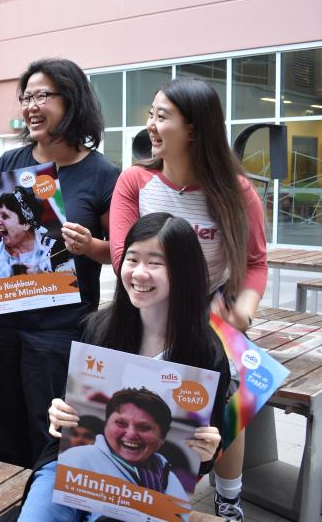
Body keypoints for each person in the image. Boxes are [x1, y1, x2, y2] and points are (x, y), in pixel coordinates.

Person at [109, 77, 268, 521]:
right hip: (144, 313)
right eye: (151, 114)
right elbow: (124, 256)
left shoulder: (236, 192)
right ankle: (126, 486)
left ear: (195, 128)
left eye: (162, 116)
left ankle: (228, 499)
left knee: (233, 398)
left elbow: (255, 262)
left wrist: (243, 312)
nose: (151, 126)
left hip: (210, 318)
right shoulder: (135, 182)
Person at [0, 58, 120, 468]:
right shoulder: (12, 162)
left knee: (52, 435)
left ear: (72, 99)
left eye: (42, 95)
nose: (31, 106)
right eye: (26, 97)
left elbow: (121, 251)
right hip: (3, 322)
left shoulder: (102, 174)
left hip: (58, 330)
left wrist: (91, 246)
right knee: (5, 432)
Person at [17, 212, 230, 522]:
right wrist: (60, 415)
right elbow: (71, 415)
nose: (139, 274)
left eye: (155, 263)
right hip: (72, 472)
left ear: (183, 271)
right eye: (132, 260)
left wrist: (208, 453)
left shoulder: (206, 353)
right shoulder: (99, 328)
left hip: (147, 490)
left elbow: (205, 451)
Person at [57, 388, 189, 504]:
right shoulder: (73, 461)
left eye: (144, 427)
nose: (131, 434)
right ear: (106, 426)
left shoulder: (171, 482)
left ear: (162, 438)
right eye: (121, 423)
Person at [0, 187, 73, 280]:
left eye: (5, 216)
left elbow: (70, 288)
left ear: (26, 224)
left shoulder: (55, 250)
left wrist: (43, 277)